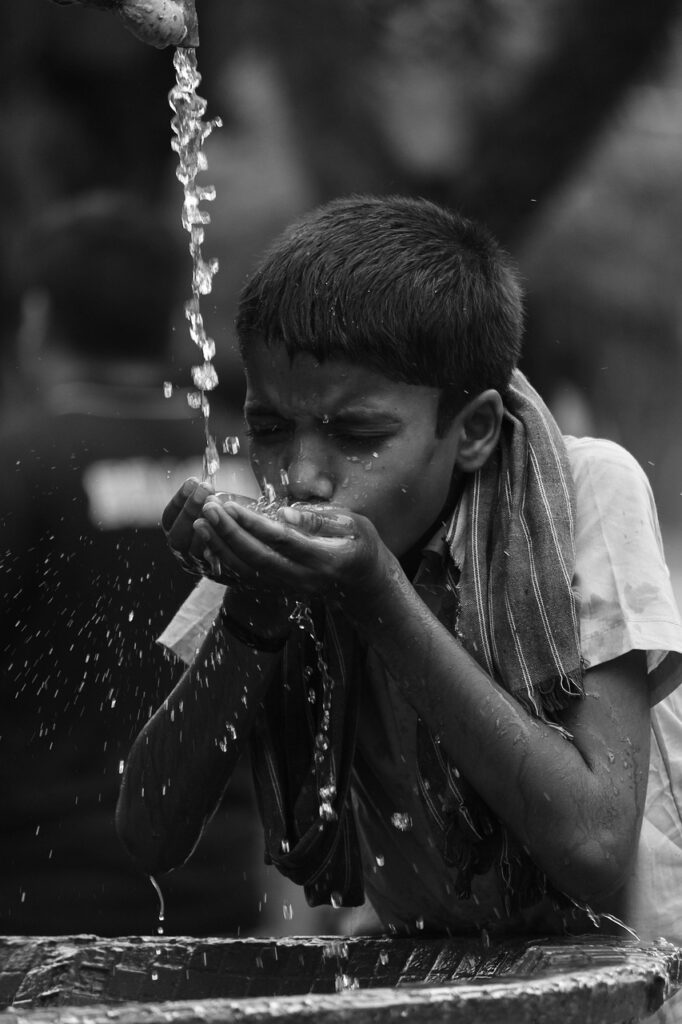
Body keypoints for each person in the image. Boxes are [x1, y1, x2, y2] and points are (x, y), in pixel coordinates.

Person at [116, 196, 682, 983]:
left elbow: (592, 846)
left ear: (475, 431)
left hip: (627, 983)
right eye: (270, 428)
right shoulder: (286, 530)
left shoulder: (583, 489)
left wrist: (378, 596)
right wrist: (251, 612)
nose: (303, 475)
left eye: (358, 435)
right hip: (426, 979)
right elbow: (150, 835)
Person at [0, 190, 262, 936]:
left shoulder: (20, 464)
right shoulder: (241, 468)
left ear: (38, 318)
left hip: (36, 907)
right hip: (219, 897)